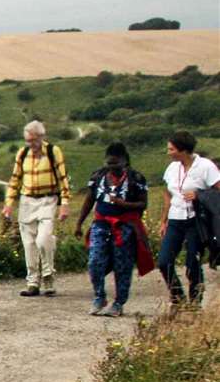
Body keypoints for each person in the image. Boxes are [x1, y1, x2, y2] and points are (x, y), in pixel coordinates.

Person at [72, 142, 152, 317]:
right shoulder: (98, 177)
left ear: (125, 161)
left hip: (125, 227)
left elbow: (143, 203)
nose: (112, 167)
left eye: (115, 163)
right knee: (94, 261)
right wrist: (79, 223)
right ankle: (99, 296)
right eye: (109, 163)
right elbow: (89, 200)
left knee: (122, 265)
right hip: (100, 224)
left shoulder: (136, 179)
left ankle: (119, 302)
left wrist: (125, 204)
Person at [2, 119, 71, 297]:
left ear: (41, 137)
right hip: (27, 201)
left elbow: (63, 178)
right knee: (29, 244)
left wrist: (65, 203)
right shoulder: (22, 153)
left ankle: (48, 276)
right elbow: (15, 179)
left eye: (33, 140)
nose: (31, 144)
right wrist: (9, 204)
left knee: (43, 239)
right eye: (28, 141)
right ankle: (32, 282)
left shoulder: (53, 151)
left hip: (48, 200)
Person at [158, 130, 220, 309]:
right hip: (175, 219)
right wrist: (164, 220)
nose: (168, 152)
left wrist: (199, 194)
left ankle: (195, 303)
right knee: (164, 262)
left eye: (171, 149)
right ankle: (177, 298)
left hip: (195, 220)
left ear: (183, 150)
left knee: (193, 262)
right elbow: (168, 194)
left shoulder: (205, 166)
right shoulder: (172, 168)